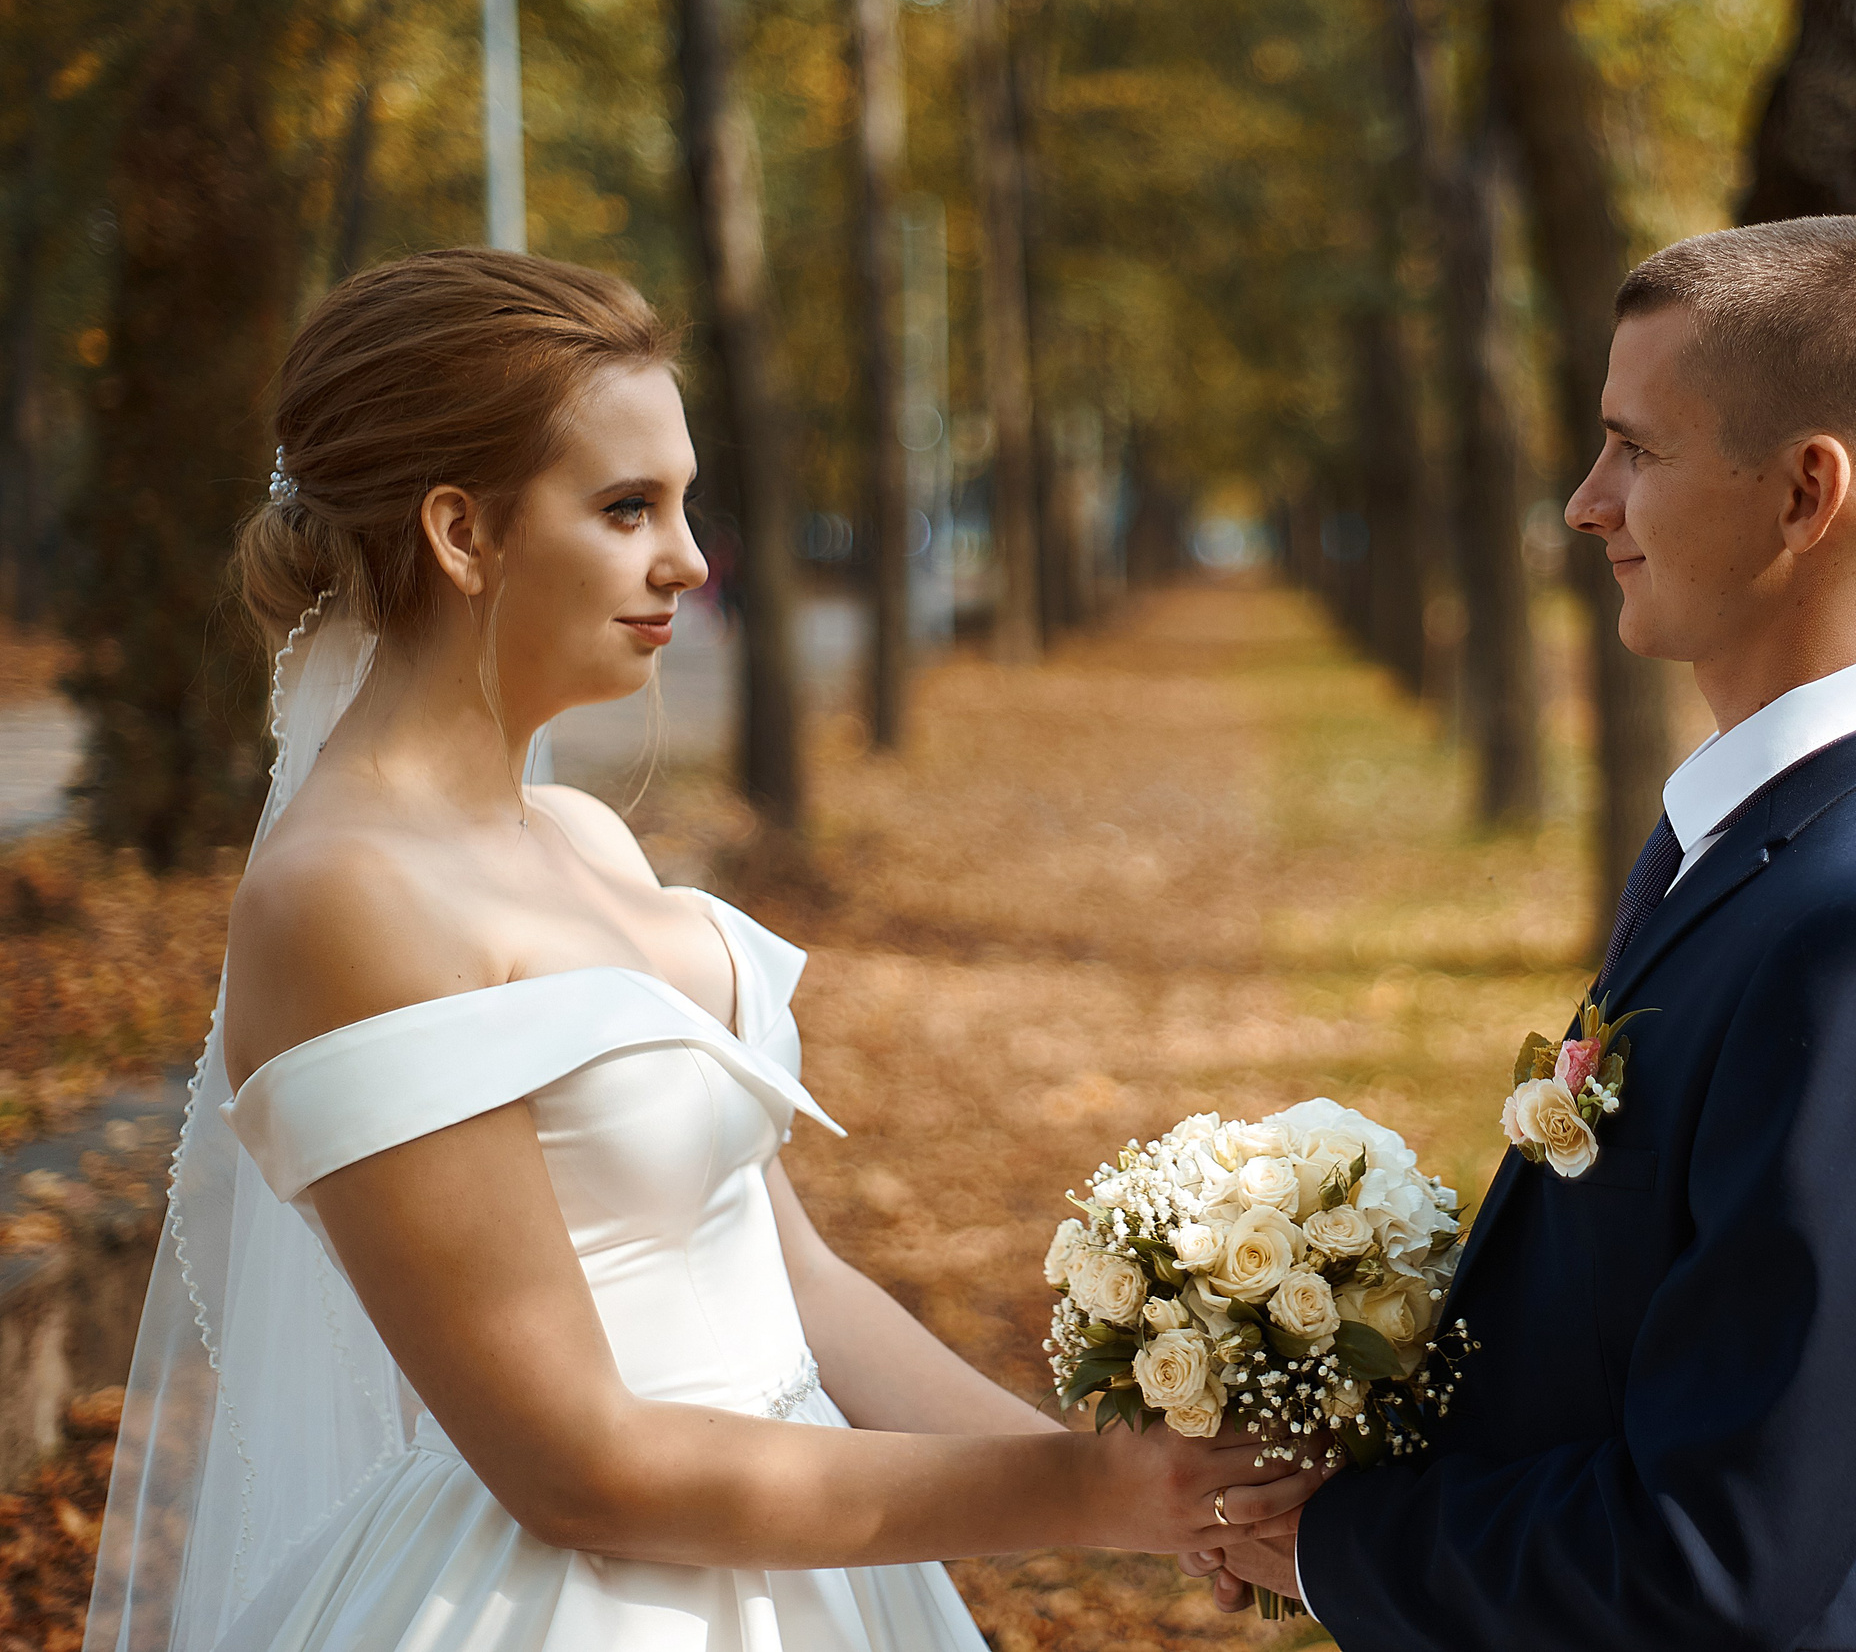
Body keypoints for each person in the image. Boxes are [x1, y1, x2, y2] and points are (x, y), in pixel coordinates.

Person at [84, 248, 1313, 1652]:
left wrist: (1162, 1494)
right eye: (626, 508)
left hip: (805, 1563)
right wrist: (1075, 1494)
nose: (689, 558)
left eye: (681, 502)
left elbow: (799, 1285)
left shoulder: (585, 840)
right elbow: (581, 1468)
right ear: (460, 534)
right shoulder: (344, 901)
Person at [1188, 216, 1856, 1648]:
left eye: (1637, 450)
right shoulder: (1760, 846)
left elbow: (1718, 1557)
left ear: (1805, 495)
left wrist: (1335, 1546)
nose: (1584, 504)